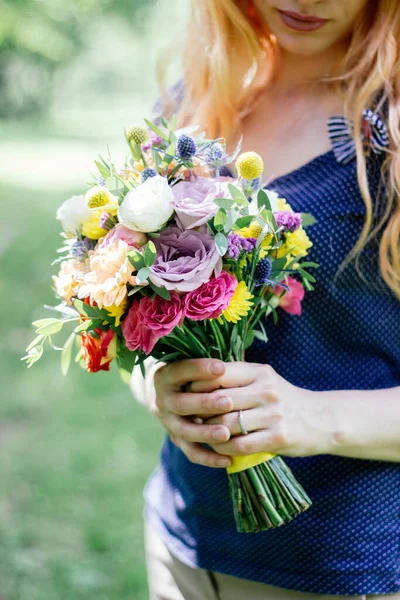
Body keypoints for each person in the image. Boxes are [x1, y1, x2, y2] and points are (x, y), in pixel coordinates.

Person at [132, 1, 400, 598]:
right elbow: (142, 316)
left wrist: (316, 418)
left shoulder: (391, 134)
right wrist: (156, 387)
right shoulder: (192, 104)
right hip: (182, 540)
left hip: (342, 567)